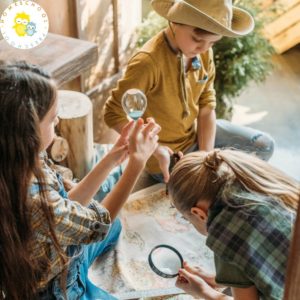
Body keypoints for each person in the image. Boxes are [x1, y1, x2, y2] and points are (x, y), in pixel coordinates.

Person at [0, 61, 160, 300]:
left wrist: (111, 158)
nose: (58, 122)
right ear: (28, 129)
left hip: (63, 255)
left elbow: (68, 207)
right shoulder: (32, 200)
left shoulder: (20, 156)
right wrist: (136, 164)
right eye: (53, 118)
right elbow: (98, 223)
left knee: (114, 226)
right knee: (108, 223)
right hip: (57, 289)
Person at [104, 0, 275, 183]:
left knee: (264, 146)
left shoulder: (203, 52)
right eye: (197, 39)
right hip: (165, 153)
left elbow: (207, 106)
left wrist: (205, 158)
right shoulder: (147, 63)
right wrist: (154, 148)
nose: (204, 49)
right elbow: (113, 113)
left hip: (196, 136)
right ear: (175, 21)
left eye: (212, 43)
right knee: (208, 192)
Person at [167, 149, 300, 300]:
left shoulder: (225, 233)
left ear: (199, 214)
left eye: (187, 219)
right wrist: (216, 279)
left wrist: (203, 292)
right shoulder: (255, 183)